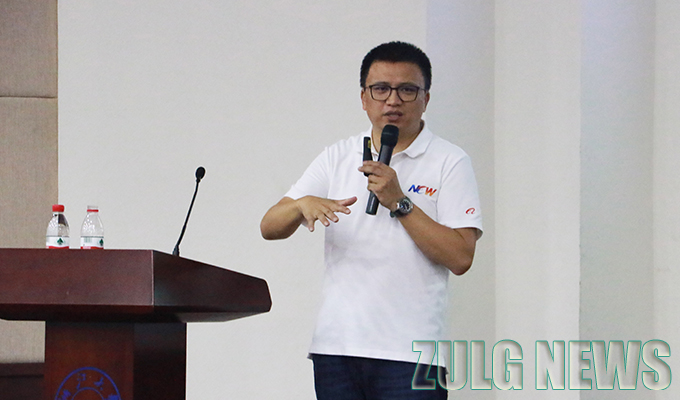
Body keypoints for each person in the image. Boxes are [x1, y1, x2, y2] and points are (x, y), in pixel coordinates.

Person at [261, 41, 483, 400]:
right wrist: (301, 204)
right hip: (337, 349)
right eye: (380, 89)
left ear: (426, 98)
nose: (392, 101)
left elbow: (460, 257)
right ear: (364, 98)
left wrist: (400, 202)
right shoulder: (337, 156)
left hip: (410, 355)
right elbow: (269, 227)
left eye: (407, 90)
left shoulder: (449, 161)